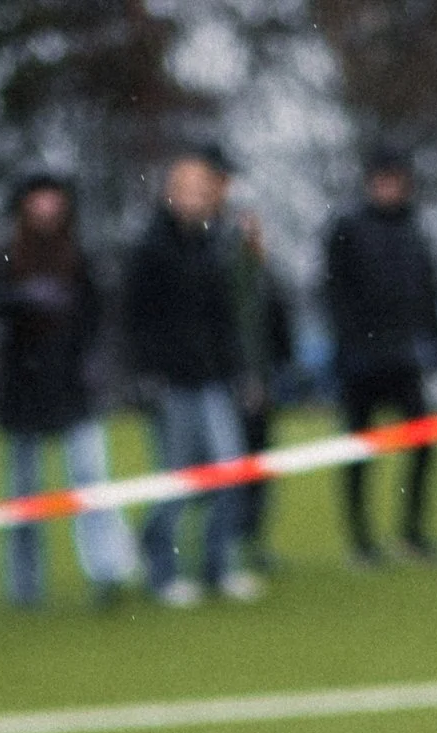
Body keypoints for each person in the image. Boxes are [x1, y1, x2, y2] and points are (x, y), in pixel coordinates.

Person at [0, 174, 139, 608]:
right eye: (37, 199)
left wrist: (95, 362)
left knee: (90, 485)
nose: (45, 207)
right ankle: (24, 588)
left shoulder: (81, 257)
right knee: (24, 496)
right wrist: (19, 299)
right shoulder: (6, 256)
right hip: (24, 388)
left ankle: (107, 572)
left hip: (73, 387)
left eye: (53, 199)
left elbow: (102, 316)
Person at [122, 149, 260, 607]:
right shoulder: (149, 248)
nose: (195, 199)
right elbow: (133, 320)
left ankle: (218, 568)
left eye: (203, 192)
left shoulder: (215, 245)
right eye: (187, 190)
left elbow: (225, 319)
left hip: (215, 378)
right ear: (170, 194)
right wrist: (144, 374)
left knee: (230, 474)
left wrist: (241, 371)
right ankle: (160, 569)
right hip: (171, 382)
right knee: (178, 481)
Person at [323, 144, 437, 567]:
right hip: (361, 362)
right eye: (383, 180)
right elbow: (333, 294)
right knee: (359, 450)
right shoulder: (347, 227)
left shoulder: (414, 231)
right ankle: (360, 542)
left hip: (405, 359)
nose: (390, 188)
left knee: (425, 444)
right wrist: (349, 344)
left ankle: (411, 533)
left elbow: (428, 296)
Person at [227, 206, 297, 580]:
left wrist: (279, 375)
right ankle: (225, 545)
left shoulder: (267, 277)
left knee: (259, 468)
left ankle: (252, 542)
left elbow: (280, 330)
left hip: (264, 386)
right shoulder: (224, 277)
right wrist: (242, 378)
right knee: (222, 470)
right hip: (231, 387)